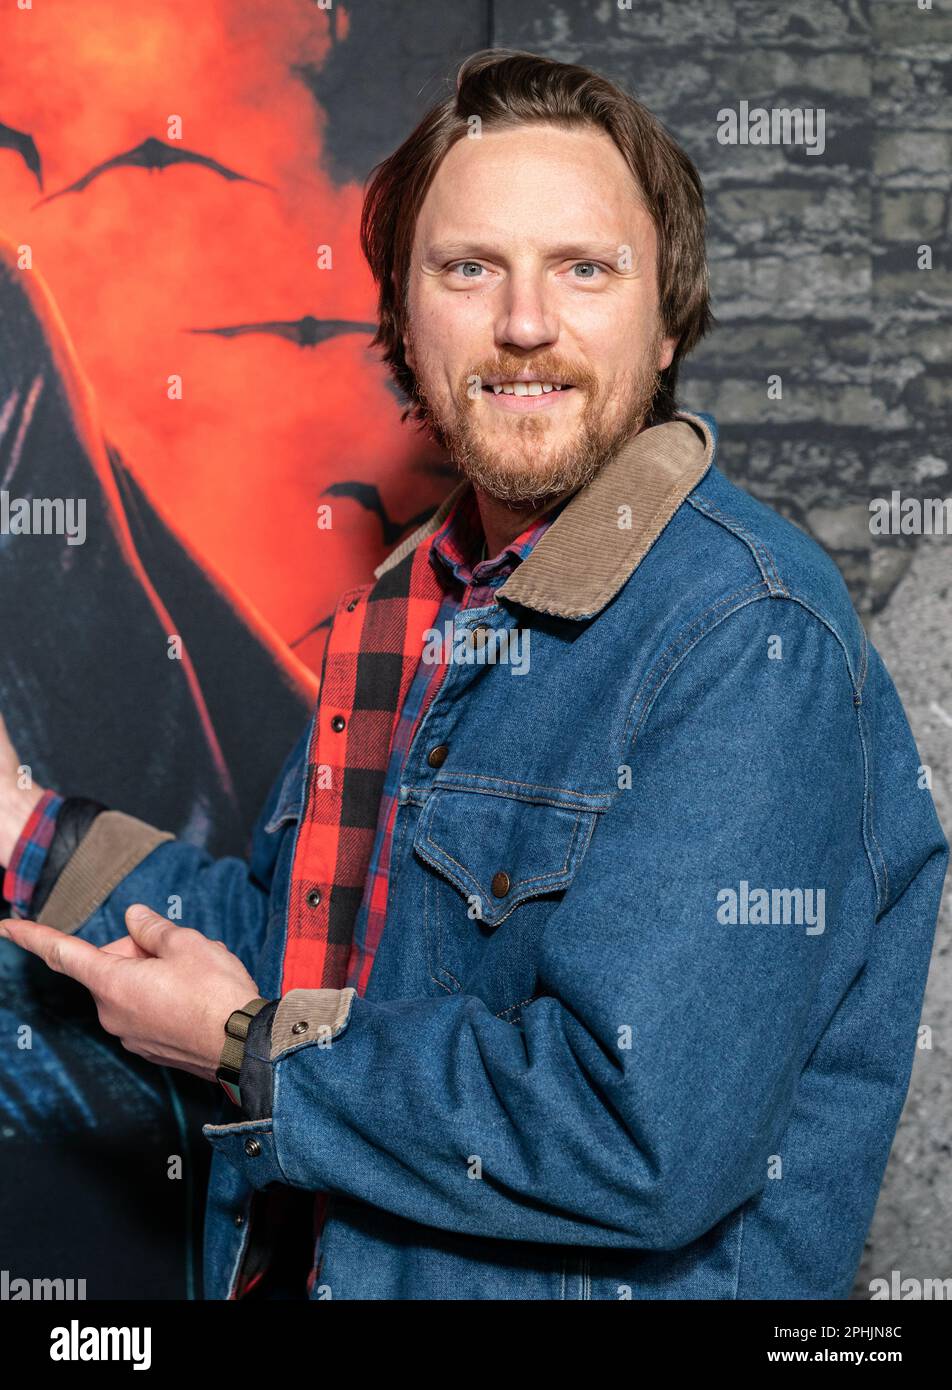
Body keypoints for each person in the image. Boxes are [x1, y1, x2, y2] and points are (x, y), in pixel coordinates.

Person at [0, 49, 946, 1301]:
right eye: (468, 268)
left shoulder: (747, 635)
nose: (524, 323)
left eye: (585, 269)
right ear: (402, 314)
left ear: (666, 323)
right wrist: (27, 822)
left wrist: (244, 1050)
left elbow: (636, 1136)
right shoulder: (412, 605)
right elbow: (301, 953)